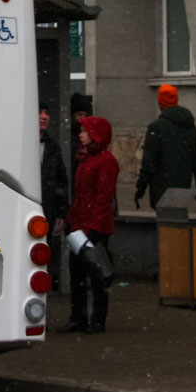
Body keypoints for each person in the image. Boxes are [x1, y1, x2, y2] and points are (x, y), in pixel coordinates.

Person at [60, 115, 118, 334]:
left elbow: (103, 198)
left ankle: (96, 319)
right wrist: (71, 220)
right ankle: (79, 317)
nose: (81, 135)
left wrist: (92, 227)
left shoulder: (105, 161)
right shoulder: (86, 159)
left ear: (95, 135)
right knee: (77, 273)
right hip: (81, 225)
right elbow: (81, 196)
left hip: (95, 227)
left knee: (96, 275)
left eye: (84, 132)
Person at [134, 84, 196, 209]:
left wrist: (141, 187)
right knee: (178, 220)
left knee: (164, 221)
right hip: (183, 184)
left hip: (161, 185)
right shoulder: (189, 126)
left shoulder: (156, 127)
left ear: (160, 102)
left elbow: (149, 162)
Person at [38, 104, 68, 291]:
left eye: (47, 113)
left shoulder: (52, 146)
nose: (44, 117)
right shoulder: (20, 144)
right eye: (39, 113)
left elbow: (61, 181)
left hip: (46, 209)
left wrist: (61, 212)